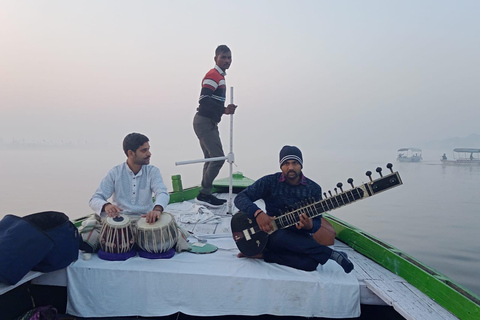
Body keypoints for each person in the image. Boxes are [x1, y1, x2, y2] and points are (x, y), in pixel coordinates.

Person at [234, 145, 354, 273]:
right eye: (286, 163)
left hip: (298, 237)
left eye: (295, 163)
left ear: (301, 165)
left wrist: (309, 225)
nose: (290, 167)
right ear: (281, 166)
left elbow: (317, 222)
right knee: (280, 236)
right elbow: (240, 198)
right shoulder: (270, 182)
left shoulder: (313, 189)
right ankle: (331, 254)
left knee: (310, 264)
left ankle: (262, 255)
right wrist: (258, 213)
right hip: (271, 235)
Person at [89, 133, 169, 224]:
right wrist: (106, 206)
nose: (149, 154)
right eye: (144, 150)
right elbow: (95, 199)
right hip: (120, 220)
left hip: (145, 219)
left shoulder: (152, 171)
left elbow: (162, 192)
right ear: (131, 153)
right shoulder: (116, 172)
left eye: (148, 149)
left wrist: (157, 209)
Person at [193, 45, 237, 208]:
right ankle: (204, 193)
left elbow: (211, 102)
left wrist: (223, 111)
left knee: (211, 158)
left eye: (229, 58)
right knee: (218, 158)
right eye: (223, 57)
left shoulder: (220, 77)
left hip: (207, 122)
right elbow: (204, 100)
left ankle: (205, 193)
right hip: (204, 121)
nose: (227, 60)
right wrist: (223, 109)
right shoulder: (213, 75)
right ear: (215, 58)